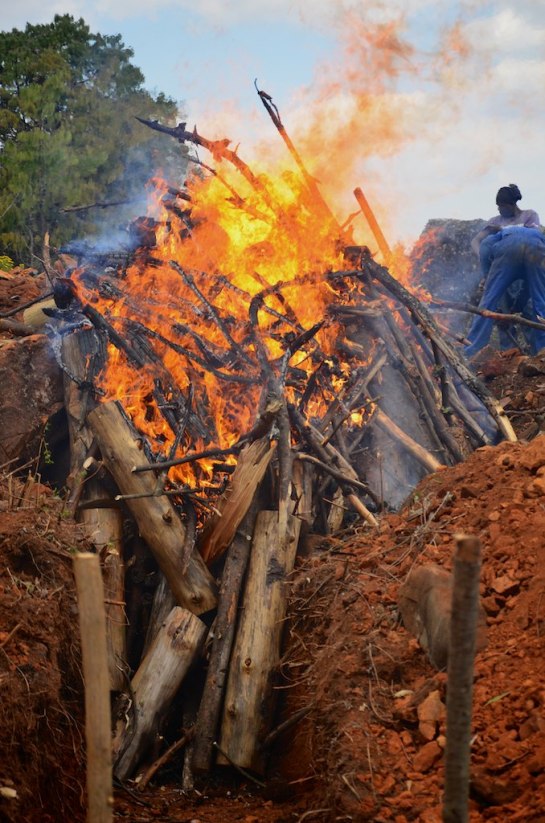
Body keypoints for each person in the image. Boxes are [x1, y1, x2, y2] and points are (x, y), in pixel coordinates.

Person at [465, 184, 545, 358]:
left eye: (502, 206)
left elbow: (485, 247)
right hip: (525, 260)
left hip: (513, 263)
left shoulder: (529, 215)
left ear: (511, 204)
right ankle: (525, 354)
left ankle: (470, 350)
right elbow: (477, 243)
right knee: (530, 304)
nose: (499, 209)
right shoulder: (495, 221)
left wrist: (488, 277)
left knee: (490, 303)